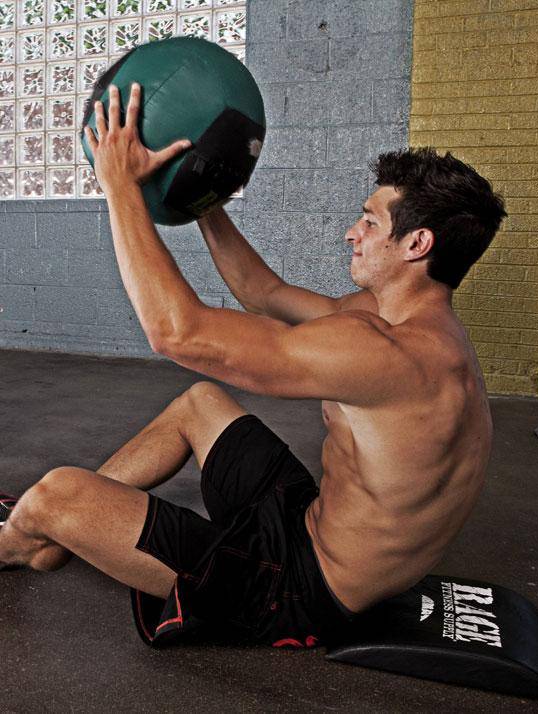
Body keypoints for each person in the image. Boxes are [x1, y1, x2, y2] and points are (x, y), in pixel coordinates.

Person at [0, 83, 506, 647]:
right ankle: (57, 527)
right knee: (200, 404)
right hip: (304, 525)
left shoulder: (390, 356)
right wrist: (202, 199)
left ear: (416, 243)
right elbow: (262, 291)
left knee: (57, 493)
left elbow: (177, 333)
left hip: (297, 591)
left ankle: (25, 541)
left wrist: (119, 185)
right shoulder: (416, 330)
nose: (352, 233)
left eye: (369, 222)